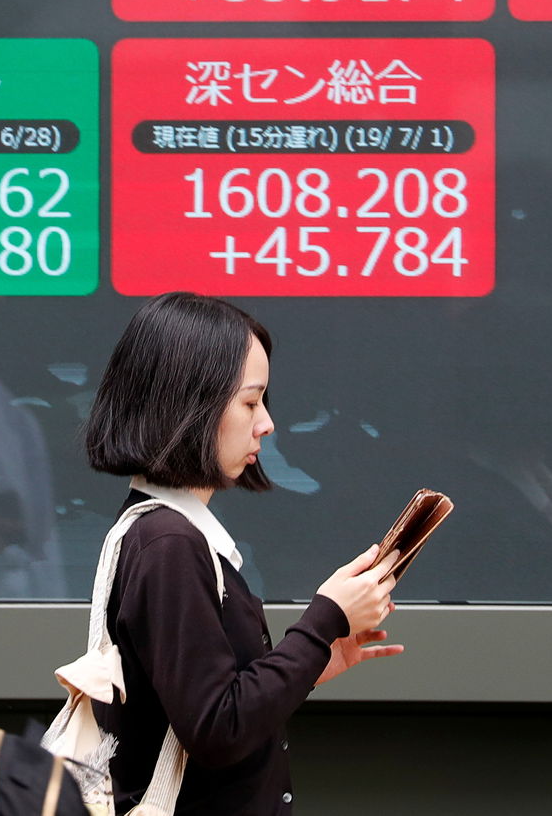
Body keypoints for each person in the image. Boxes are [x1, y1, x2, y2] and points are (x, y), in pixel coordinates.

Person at [84, 292, 403, 815]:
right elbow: (217, 729)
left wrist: (314, 660)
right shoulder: (169, 543)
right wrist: (322, 625)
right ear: (191, 404)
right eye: (250, 402)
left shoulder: (168, 533)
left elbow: (205, 701)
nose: (266, 423)